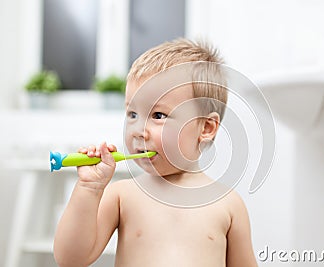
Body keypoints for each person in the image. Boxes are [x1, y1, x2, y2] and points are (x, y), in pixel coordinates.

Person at [54, 38, 257, 267]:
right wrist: (89, 188)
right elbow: (70, 259)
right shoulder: (121, 196)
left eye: (158, 115)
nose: (139, 131)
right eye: (132, 114)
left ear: (206, 128)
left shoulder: (228, 204)